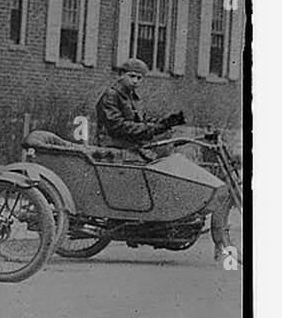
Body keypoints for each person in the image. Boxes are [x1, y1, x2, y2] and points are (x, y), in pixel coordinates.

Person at [95, 58, 234, 261]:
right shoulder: (111, 96)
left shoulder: (131, 96)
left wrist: (165, 123)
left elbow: (138, 122)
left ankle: (169, 218)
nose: (135, 81)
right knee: (157, 171)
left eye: (139, 78)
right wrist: (154, 129)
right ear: (121, 74)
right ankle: (151, 221)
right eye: (131, 76)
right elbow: (118, 127)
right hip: (114, 147)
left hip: (129, 146)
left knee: (169, 161)